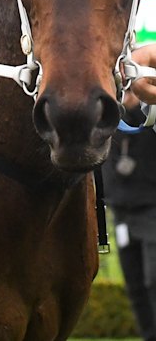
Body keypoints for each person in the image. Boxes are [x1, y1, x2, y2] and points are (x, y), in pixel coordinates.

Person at [103, 92, 156, 341]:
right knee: (135, 286)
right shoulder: (109, 121)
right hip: (122, 213)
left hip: (152, 210)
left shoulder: (150, 116)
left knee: (154, 278)